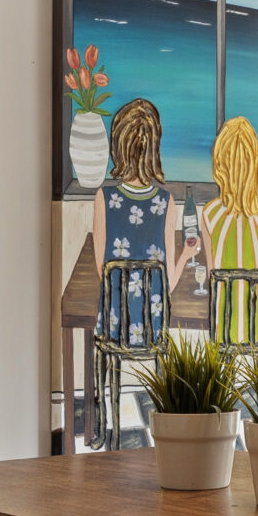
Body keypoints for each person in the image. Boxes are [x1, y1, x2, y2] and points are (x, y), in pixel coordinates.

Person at [93, 97, 180, 351]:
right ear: (154, 149)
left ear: (117, 146)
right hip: (154, 328)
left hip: (114, 326)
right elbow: (168, 283)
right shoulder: (166, 202)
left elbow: (104, 274)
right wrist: (186, 255)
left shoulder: (104, 199)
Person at [204, 117, 258, 348]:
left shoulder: (209, 216)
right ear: (255, 165)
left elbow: (210, 277)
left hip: (222, 333)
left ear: (219, 165)